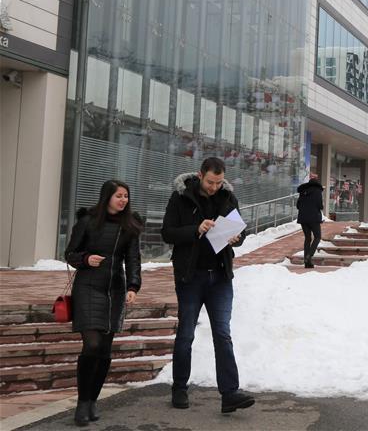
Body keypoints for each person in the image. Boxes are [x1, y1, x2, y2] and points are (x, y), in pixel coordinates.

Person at [161, 157, 255, 414]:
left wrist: (236, 238)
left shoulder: (227, 198)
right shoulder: (180, 197)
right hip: (190, 276)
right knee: (186, 334)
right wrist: (196, 229)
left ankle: (229, 394)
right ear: (201, 175)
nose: (214, 187)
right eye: (211, 181)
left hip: (220, 276)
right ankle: (179, 387)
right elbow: (167, 232)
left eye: (219, 182)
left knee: (222, 334)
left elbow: (241, 231)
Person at [64, 180, 142, 426]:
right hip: (87, 287)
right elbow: (70, 254)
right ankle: (82, 402)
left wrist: (133, 286)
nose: (123, 200)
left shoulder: (129, 226)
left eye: (126, 196)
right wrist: (86, 259)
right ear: (107, 196)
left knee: (105, 350)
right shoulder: (87, 221)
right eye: (119, 196)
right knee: (92, 344)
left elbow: (133, 259)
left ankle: (92, 400)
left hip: (114, 290)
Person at [296, 174, 324, 268]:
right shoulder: (318, 191)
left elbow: (298, 206)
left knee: (307, 238)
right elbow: (320, 205)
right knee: (317, 237)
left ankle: (307, 262)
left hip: (303, 218)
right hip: (314, 218)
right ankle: (309, 255)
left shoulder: (303, 191)